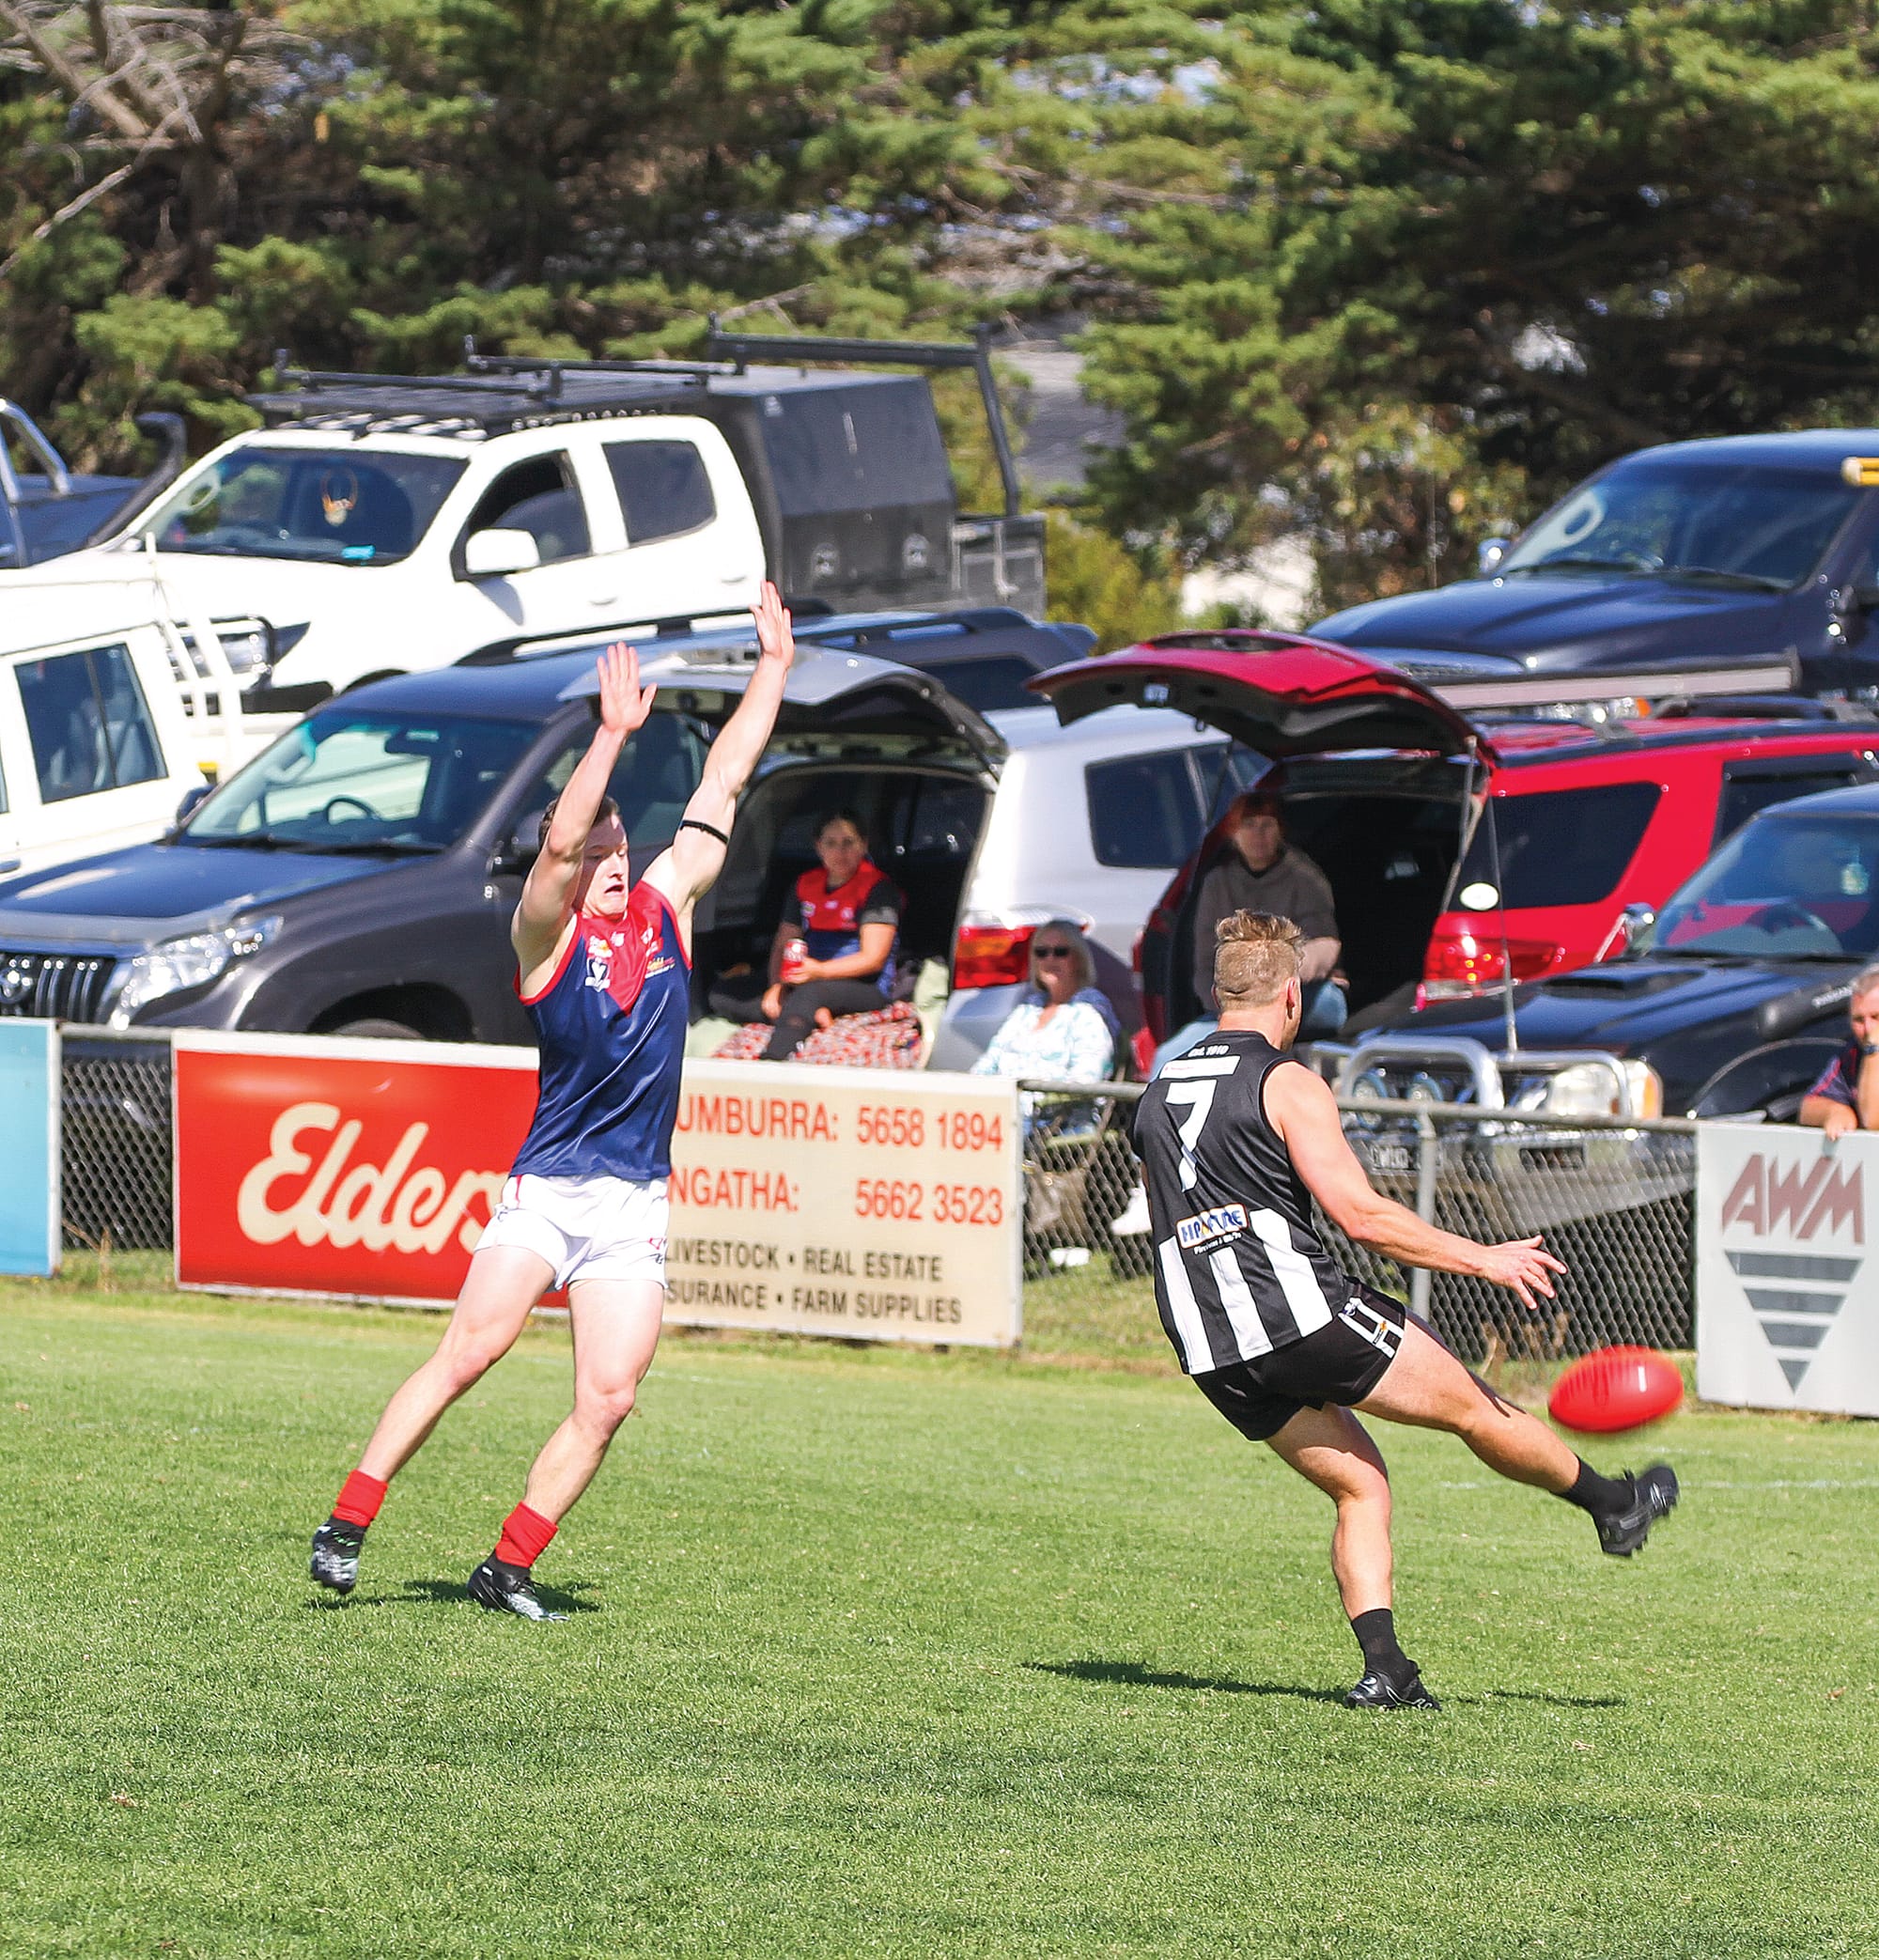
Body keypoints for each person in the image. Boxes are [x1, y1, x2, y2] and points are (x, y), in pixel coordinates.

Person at [307, 583, 798, 1620]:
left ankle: (508, 1565)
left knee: (609, 1397)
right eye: (601, 855)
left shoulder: (667, 912)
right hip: (549, 1192)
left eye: (626, 851)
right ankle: (349, 1519)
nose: (618, 864)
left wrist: (773, 673)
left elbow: (725, 778)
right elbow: (564, 842)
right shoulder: (545, 938)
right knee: (472, 1350)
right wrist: (612, 740)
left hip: (633, 1203)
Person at [1131, 909, 1679, 1709]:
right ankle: (1615, 1506)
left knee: (1362, 1489)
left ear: (1219, 994)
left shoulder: (1160, 1087)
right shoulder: (1285, 1080)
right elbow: (1363, 1216)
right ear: (1292, 994)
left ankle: (1385, 1671)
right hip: (1299, 1314)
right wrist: (1481, 1257)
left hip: (1209, 1340)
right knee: (1478, 1408)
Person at [1188, 789, 1343, 1034]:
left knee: (1328, 1005)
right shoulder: (1217, 882)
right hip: (1233, 1004)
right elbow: (1205, 962)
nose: (1258, 834)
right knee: (1169, 1055)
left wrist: (1276, 983)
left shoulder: (1304, 877)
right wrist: (1229, 1005)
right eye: (1249, 825)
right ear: (1233, 833)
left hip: (1299, 994)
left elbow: (1325, 945)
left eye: (1267, 825)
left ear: (1280, 830)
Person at [756, 809, 905, 1061]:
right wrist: (777, 986)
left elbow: (873, 959)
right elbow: (785, 940)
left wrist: (818, 972)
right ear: (818, 847)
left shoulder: (878, 889)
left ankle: (774, 1059)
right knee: (725, 994)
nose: (840, 852)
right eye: (831, 844)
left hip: (865, 985)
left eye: (848, 843)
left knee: (808, 995)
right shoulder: (805, 884)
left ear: (863, 845)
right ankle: (813, 1013)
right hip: (809, 975)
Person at [971, 920, 1117, 1087]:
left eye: (1060, 952)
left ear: (1079, 959)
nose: (1050, 959)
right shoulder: (1027, 1010)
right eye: (1041, 952)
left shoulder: (1089, 1011)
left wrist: (1031, 1097)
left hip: (1054, 1110)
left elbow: (1086, 1080)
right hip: (1002, 1105)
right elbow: (989, 1061)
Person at [1799, 962, 1879, 1138]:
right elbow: (1807, 1107)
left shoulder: (1871, 1047)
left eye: (1876, 1017)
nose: (1867, 1029)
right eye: (1858, 1020)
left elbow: (1874, 1121)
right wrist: (1835, 1111)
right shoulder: (1852, 1054)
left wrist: (1874, 1050)